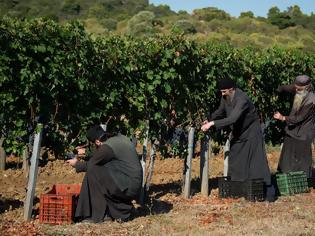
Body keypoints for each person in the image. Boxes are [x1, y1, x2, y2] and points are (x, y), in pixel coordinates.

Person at [201, 77, 274, 200]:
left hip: (252, 133)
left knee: (257, 164)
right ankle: (241, 190)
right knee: (236, 160)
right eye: (221, 91)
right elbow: (220, 111)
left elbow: (233, 118)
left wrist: (213, 124)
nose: (222, 94)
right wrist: (209, 119)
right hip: (239, 133)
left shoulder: (242, 99)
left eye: (224, 91)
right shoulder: (226, 97)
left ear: (232, 89)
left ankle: (269, 193)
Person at [66, 123, 143, 223]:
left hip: (128, 186)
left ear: (97, 141)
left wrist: (76, 164)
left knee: (93, 170)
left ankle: (98, 215)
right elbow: (101, 159)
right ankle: (110, 212)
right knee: (100, 170)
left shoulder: (107, 148)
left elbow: (91, 164)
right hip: (132, 183)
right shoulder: (119, 138)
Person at [273, 75, 315, 177]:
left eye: (298, 88)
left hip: (303, 133)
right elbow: (287, 88)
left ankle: (304, 180)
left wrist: (283, 118)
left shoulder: (311, 101)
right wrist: (278, 90)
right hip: (292, 130)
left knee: (302, 160)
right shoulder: (298, 89)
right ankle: (287, 176)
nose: (295, 89)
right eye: (295, 87)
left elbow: (299, 118)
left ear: (306, 87)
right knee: (288, 156)